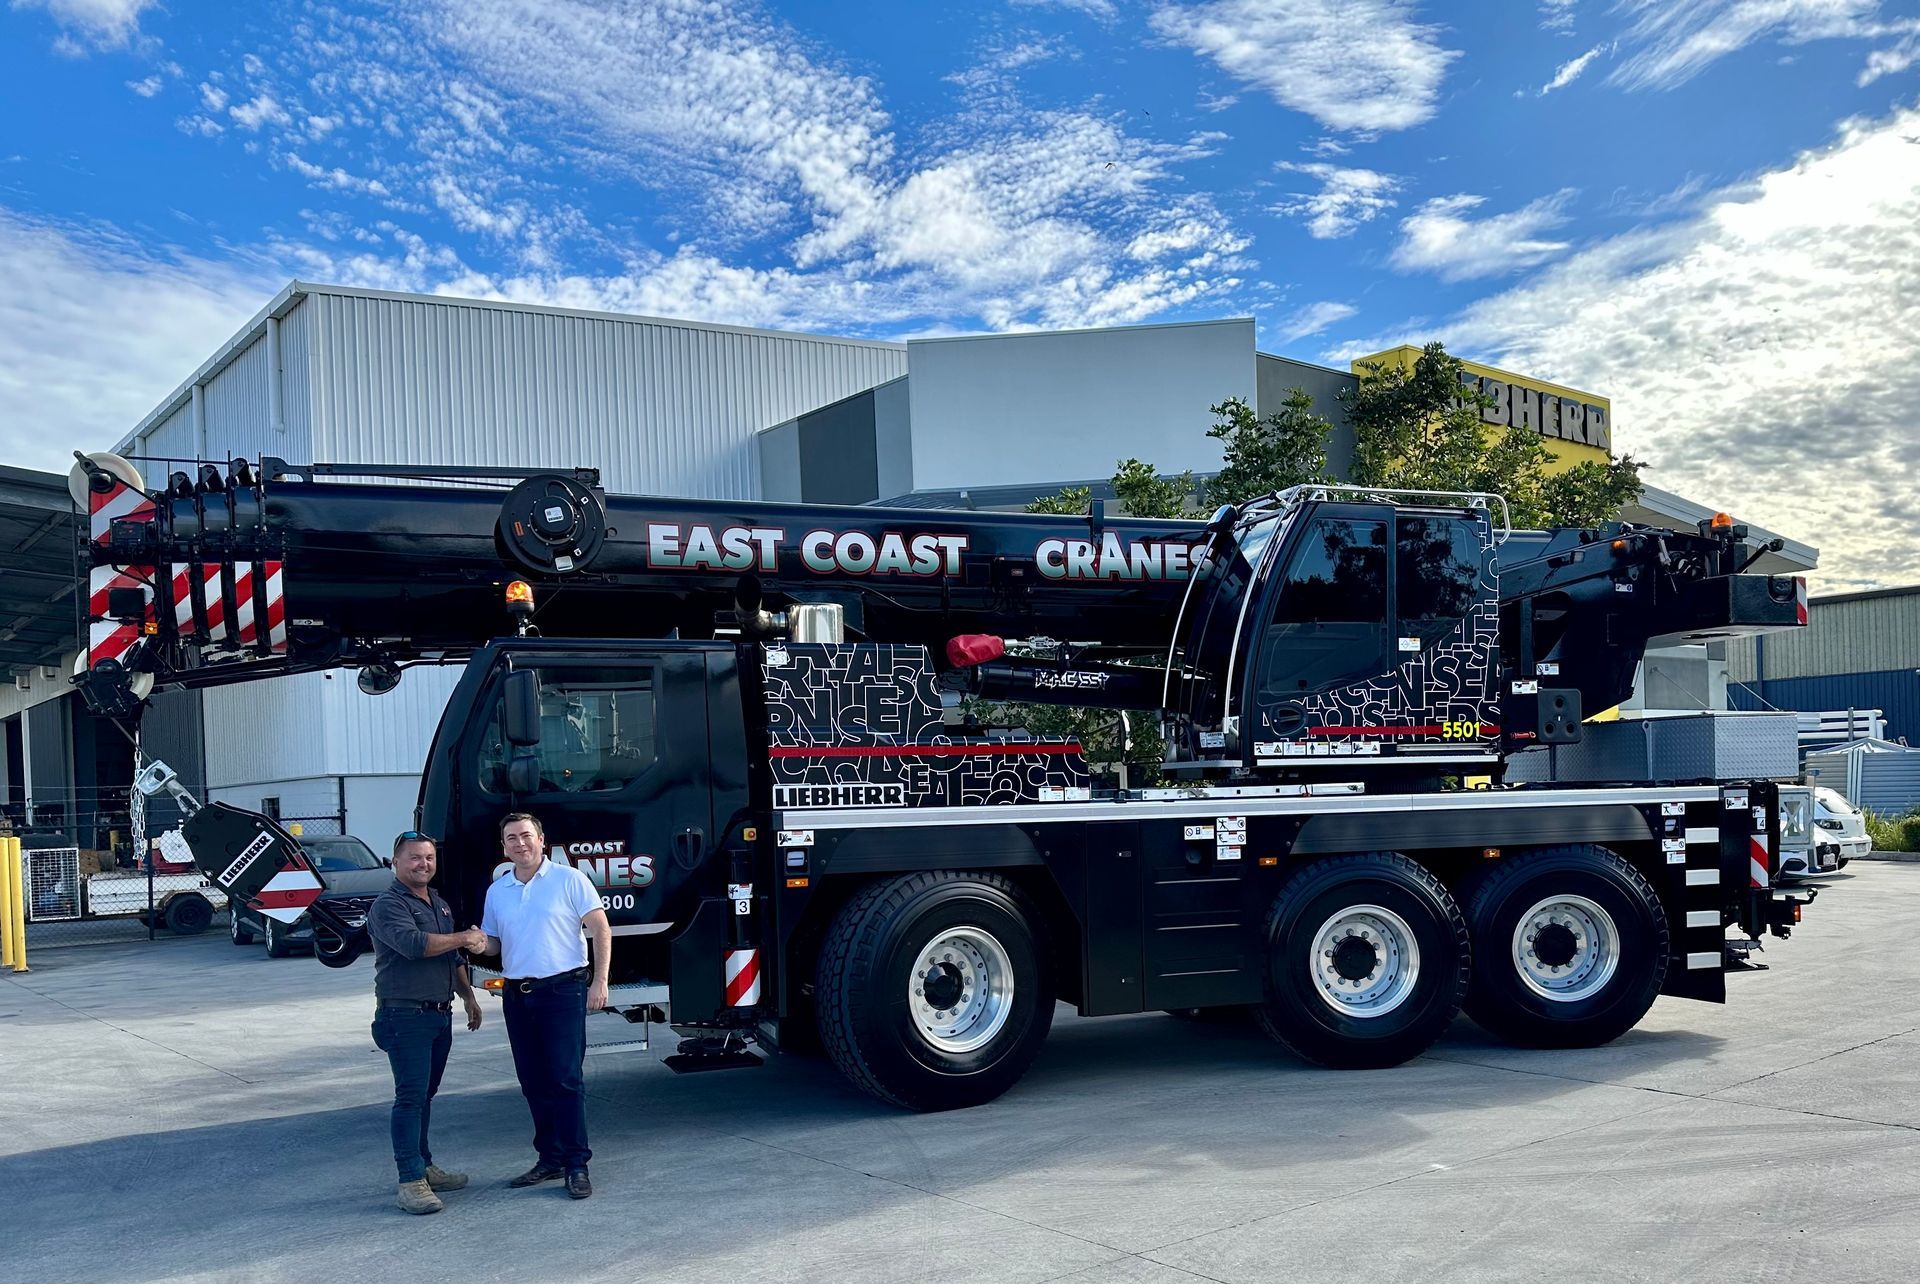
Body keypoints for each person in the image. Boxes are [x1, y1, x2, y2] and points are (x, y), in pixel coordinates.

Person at [480, 811, 611, 1199]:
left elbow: (600, 928)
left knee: (565, 1080)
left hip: (562, 992)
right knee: (533, 1082)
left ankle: (576, 1164)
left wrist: (599, 982)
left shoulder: (569, 880)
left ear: (542, 840)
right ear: (503, 847)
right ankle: (549, 1159)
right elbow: (493, 944)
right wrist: (473, 942)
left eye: (525, 835)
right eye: (511, 839)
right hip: (517, 995)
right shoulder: (498, 891)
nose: (519, 844)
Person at [365, 830, 488, 1215]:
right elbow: (418, 946)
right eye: (415, 858)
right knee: (410, 1098)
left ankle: (425, 1166)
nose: (424, 864)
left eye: (429, 858)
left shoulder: (437, 902)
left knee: (425, 1097)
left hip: (438, 1013)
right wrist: (466, 937)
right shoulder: (388, 905)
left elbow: (450, 959)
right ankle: (410, 1181)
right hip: (404, 1015)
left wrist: (467, 996)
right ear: (395, 862)